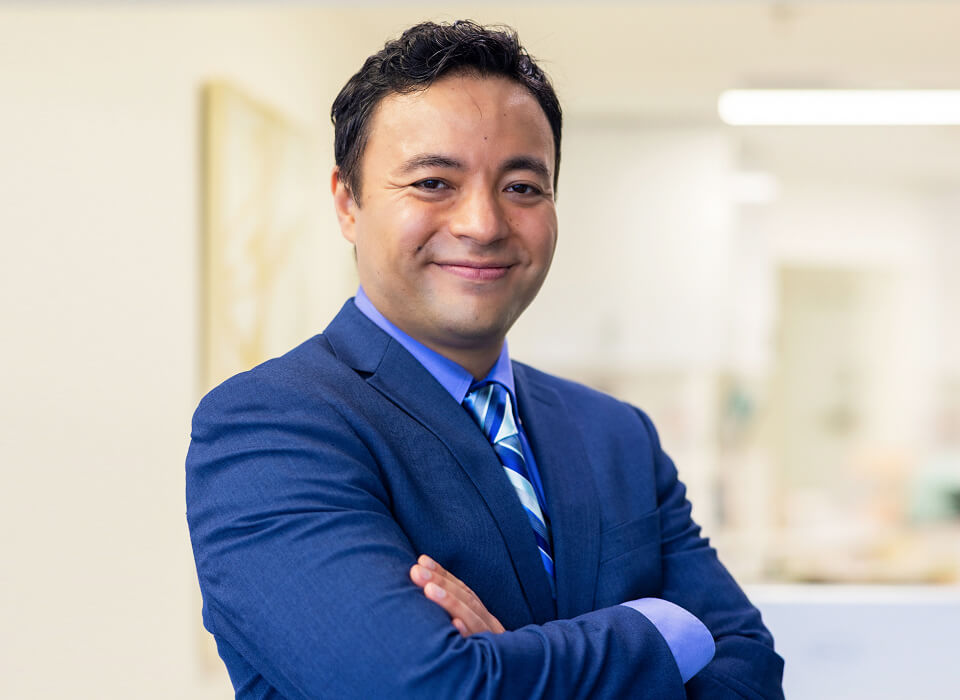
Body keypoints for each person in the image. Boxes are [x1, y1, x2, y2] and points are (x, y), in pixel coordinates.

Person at [186, 20, 785, 699]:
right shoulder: (270, 426)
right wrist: (659, 628)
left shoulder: (617, 434)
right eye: (433, 182)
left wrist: (503, 666)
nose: (483, 224)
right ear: (348, 203)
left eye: (522, 187)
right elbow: (426, 688)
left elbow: (751, 674)